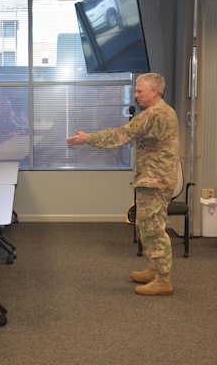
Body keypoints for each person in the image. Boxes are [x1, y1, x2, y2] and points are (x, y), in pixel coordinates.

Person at [66, 72, 179, 296]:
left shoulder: (155, 114)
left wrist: (88, 139)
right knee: (146, 226)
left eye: (140, 91)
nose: (135, 95)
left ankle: (163, 280)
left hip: (155, 181)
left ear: (154, 91)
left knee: (154, 229)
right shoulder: (160, 112)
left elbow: (123, 134)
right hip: (154, 179)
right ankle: (154, 269)